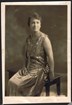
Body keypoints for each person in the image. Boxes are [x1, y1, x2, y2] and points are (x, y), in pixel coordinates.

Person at [8, 12, 54, 96]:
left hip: (40, 71)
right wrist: (24, 67)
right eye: (33, 23)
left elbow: (50, 57)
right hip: (29, 68)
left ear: (40, 25)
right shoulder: (28, 39)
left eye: (37, 22)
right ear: (29, 25)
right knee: (11, 82)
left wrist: (51, 73)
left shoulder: (45, 39)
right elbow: (25, 56)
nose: (35, 25)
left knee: (19, 86)